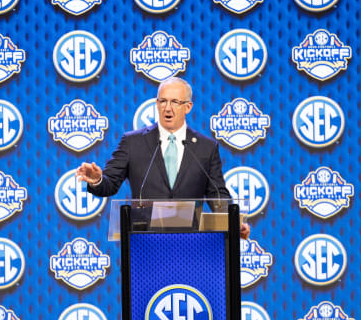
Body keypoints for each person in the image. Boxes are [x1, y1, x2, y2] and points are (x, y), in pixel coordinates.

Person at [76, 77, 250, 238]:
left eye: (175, 102)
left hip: (192, 244)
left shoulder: (206, 148)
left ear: (188, 107)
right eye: (163, 101)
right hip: (145, 243)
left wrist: (234, 222)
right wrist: (97, 180)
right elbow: (110, 184)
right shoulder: (133, 142)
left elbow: (217, 194)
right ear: (157, 104)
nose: (167, 108)